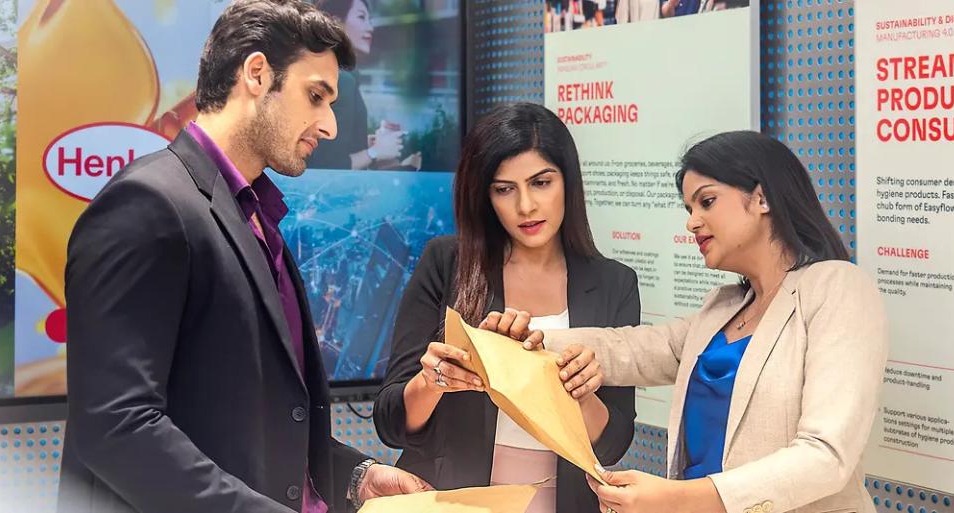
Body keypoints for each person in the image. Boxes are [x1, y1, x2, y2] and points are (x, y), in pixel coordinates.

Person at [58, 2, 431, 512]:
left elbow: (258, 419)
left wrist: (356, 477)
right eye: (316, 97)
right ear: (256, 74)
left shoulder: (257, 212)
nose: (330, 126)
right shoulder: (147, 205)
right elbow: (118, 428)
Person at [483, 131, 888, 513]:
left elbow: (826, 456)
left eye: (706, 202)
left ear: (761, 198)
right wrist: (518, 341)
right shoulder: (723, 306)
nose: (692, 222)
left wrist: (678, 498)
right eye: (689, 208)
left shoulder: (837, 287)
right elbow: (629, 349)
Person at [372, 103, 639, 513]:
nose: (526, 206)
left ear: (568, 182)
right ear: (485, 195)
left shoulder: (614, 283)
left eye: (541, 182)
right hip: (454, 503)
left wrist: (578, 393)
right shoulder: (447, 263)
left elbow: (615, 441)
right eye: (504, 189)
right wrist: (434, 381)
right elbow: (391, 423)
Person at [308, 0, 415, 171]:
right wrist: (376, 151)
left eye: (369, 19)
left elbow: (326, 148)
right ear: (335, 23)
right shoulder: (341, 81)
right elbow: (329, 165)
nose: (370, 27)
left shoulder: (334, 75)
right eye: (361, 17)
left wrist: (367, 142)